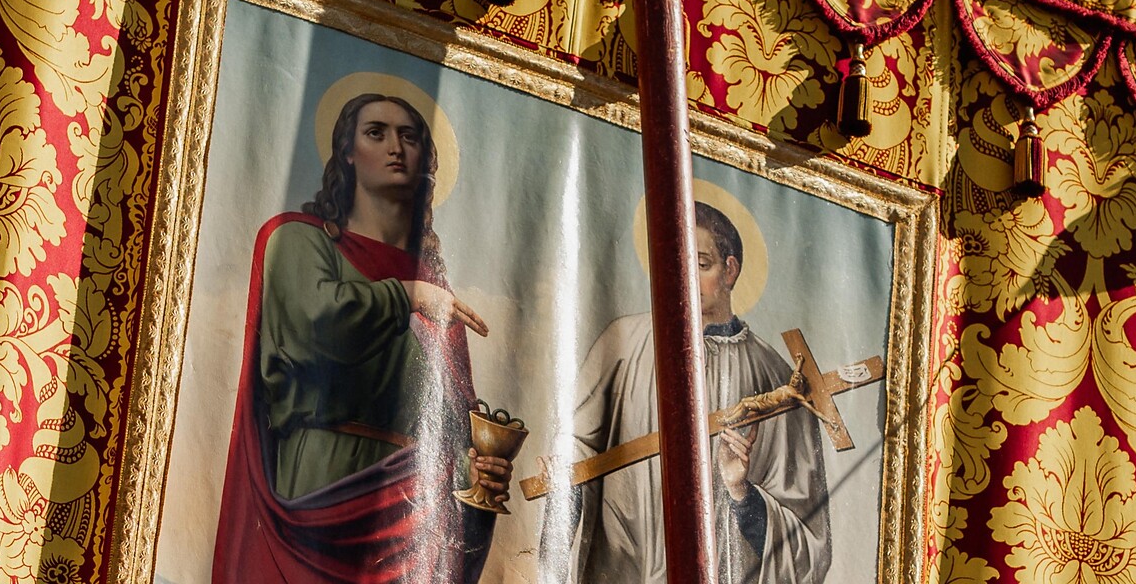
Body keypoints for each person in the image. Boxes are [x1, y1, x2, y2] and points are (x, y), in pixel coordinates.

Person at [213, 92, 510, 584]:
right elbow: (313, 328)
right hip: (322, 485)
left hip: (410, 523)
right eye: (377, 133)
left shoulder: (438, 295)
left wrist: (472, 471)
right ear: (347, 152)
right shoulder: (299, 240)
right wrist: (406, 296)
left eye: (409, 137)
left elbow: (448, 426)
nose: (396, 147)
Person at [559, 202, 832, 583]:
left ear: (730, 270)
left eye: (701, 264)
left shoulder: (779, 379)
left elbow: (809, 543)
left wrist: (741, 493)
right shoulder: (623, 343)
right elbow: (576, 450)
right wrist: (562, 474)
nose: (684, 276)